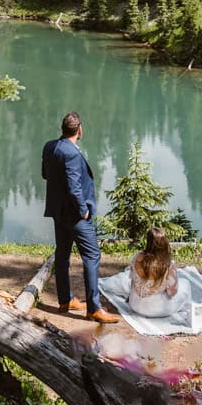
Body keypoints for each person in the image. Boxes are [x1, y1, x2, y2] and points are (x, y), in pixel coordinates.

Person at [42, 112, 118, 323]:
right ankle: (94, 308)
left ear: (62, 129)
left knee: (63, 255)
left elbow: (46, 174)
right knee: (92, 256)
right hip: (76, 216)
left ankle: (65, 300)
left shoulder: (49, 147)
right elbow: (75, 187)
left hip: (58, 213)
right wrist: (83, 209)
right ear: (79, 130)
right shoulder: (72, 154)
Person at [125, 226, 187, 318]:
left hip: (135, 305)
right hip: (158, 309)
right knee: (186, 284)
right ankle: (188, 309)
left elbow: (133, 282)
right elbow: (171, 293)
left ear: (148, 241)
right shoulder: (168, 263)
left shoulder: (137, 257)